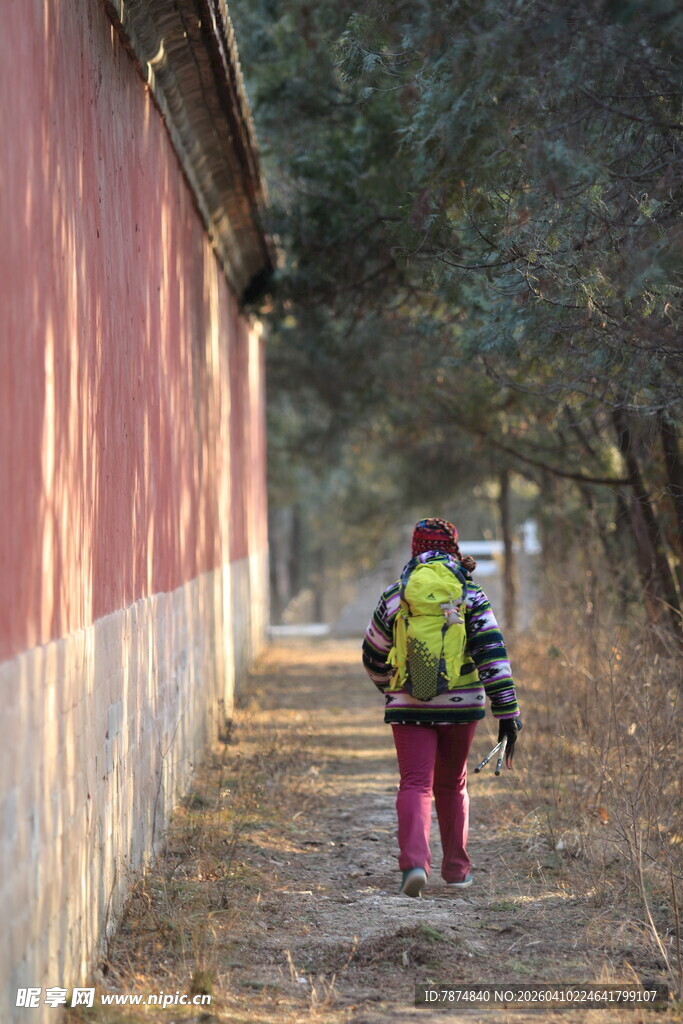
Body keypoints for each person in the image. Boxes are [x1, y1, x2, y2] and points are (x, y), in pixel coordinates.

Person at [362, 517, 522, 898]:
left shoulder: (396, 594)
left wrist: (392, 688)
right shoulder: (470, 593)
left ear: (414, 548)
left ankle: (415, 865)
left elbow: (372, 653)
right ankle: (456, 870)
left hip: (407, 704)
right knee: (452, 784)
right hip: (462, 704)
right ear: (454, 547)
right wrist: (507, 711)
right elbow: (492, 653)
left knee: (415, 783)